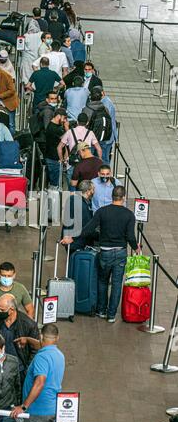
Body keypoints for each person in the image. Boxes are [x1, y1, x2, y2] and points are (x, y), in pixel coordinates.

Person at [80, 186, 140, 322]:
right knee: (117, 283)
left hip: (105, 252)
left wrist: (74, 236)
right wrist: (136, 248)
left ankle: (101, 310)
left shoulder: (102, 212)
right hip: (120, 252)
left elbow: (89, 228)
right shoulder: (129, 215)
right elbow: (130, 236)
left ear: (112, 196)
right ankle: (111, 315)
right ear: (124, 197)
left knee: (102, 281)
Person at [11, 324, 65, 422]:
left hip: (37, 413)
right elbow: (42, 345)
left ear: (41, 336)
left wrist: (24, 407)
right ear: (57, 338)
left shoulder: (42, 357)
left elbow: (40, 382)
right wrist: (27, 339)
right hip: (52, 411)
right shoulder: (59, 355)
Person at [0, 294, 40, 385]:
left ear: (12, 309)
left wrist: (26, 371)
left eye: (2, 310)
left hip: (19, 371)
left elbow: (35, 351)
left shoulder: (29, 325)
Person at [61, 180, 96, 252]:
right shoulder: (83, 206)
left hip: (68, 238)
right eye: (93, 189)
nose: (94, 192)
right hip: (77, 242)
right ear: (88, 191)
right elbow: (87, 226)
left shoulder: (72, 199)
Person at [82, 87, 112, 161]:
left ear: (90, 97)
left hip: (90, 140)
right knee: (103, 160)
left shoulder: (87, 109)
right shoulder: (105, 109)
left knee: (89, 160)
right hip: (103, 138)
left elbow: (83, 125)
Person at [45, 107, 69, 187]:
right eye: (64, 118)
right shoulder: (54, 129)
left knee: (54, 183)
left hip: (52, 158)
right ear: (59, 116)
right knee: (55, 184)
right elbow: (68, 138)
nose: (64, 120)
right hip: (54, 159)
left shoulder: (52, 126)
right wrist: (66, 127)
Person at [34, 90, 59, 155]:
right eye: (52, 99)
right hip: (45, 140)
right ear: (47, 100)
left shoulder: (49, 109)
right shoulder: (48, 111)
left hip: (43, 139)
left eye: (55, 98)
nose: (54, 101)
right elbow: (47, 128)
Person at [20, 19, 42, 86]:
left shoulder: (25, 36)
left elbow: (21, 48)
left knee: (27, 74)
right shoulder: (41, 34)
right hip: (38, 58)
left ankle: (27, 88)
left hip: (27, 59)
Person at [101, 87, 118, 163]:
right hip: (109, 137)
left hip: (106, 138)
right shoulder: (107, 100)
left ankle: (105, 174)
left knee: (104, 159)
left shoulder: (105, 104)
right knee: (105, 157)